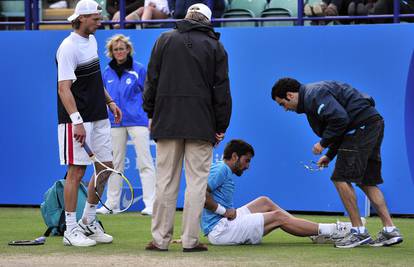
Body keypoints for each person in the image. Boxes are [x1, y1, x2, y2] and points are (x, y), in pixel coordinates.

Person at [270, 78, 403, 248]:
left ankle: (358, 232)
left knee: (340, 178)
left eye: (282, 104)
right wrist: (330, 155)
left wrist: (323, 144)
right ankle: (390, 230)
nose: (284, 109)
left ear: (289, 95)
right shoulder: (312, 98)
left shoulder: (313, 95)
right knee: (366, 181)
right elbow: (340, 125)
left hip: (360, 128)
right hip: (371, 124)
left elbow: (340, 120)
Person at [143, 3, 232, 252]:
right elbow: (221, 90)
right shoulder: (216, 46)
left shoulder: (164, 40)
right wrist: (221, 124)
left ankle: (160, 240)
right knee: (196, 185)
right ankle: (191, 241)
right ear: (208, 21)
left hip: (167, 120)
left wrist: (151, 111)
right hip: (201, 123)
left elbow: (152, 80)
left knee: (165, 182)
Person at [56, 0, 122, 247]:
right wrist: (77, 122)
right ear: (81, 18)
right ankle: (70, 229)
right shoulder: (67, 47)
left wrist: (110, 101)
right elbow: (64, 89)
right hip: (77, 120)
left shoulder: (92, 41)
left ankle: (88, 221)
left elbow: (94, 81)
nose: (100, 20)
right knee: (77, 172)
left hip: (99, 116)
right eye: (96, 17)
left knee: (105, 167)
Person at [202, 139, 353, 246]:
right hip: (220, 231)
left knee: (264, 201)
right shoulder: (222, 169)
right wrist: (224, 211)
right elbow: (201, 195)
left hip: (225, 222)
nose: (247, 166)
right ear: (235, 156)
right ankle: (331, 230)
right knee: (278, 217)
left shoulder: (223, 168)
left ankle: (310, 230)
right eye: (246, 160)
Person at [97, 34, 156, 216]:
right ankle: (112, 203)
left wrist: (151, 116)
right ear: (111, 52)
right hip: (114, 122)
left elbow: (149, 94)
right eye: (116, 49)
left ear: (128, 50)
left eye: (122, 48)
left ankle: (150, 203)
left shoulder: (138, 69)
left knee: (145, 162)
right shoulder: (106, 73)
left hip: (138, 120)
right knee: (115, 164)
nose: (119, 52)